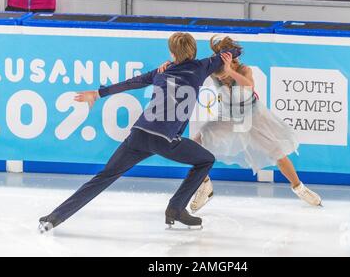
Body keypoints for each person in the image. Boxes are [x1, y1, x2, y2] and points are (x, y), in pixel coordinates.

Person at [38, 33, 241, 233]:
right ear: (193, 51)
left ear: (172, 53)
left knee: (104, 177)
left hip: (139, 134)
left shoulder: (162, 71)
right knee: (205, 160)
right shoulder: (202, 67)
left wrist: (97, 94)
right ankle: (176, 208)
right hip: (166, 140)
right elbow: (235, 49)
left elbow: (131, 83)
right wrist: (226, 56)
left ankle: (54, 217)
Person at [158, 36, 322, 213]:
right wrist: (169, 65)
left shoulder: (244, 70)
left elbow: (249, 85)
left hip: (252, 117)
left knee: (277, 153)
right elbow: (190, 68)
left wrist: (230, 70)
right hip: (227, 117)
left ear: (232, 59)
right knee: (196, 143)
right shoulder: (214, 69)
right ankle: (205, 185)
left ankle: (299, 188)